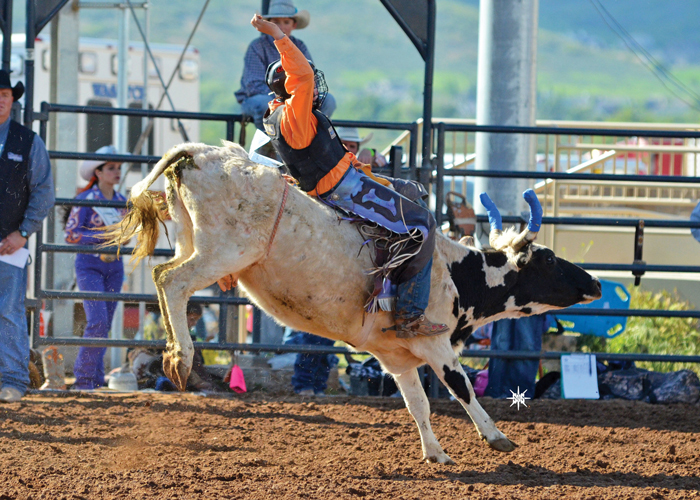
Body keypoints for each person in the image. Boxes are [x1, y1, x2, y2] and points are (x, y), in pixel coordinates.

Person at [251, 14, 448, 338]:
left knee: (412, 192)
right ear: (290, 87)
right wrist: (277, 35)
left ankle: (396, 287)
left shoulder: (280, 112)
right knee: (423, 224)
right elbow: (299, 74)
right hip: (345, 190)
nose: (314, 86)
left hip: (347, 181)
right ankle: (410, 314)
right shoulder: (294, 113)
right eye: (307, 82)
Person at [0, 70, 55, 403]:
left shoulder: (28, 141)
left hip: (10, 243)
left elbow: (44, 191)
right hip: (11, 241)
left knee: (9, 312)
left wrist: (22, 233)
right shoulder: (25, 141)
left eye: (5, 94)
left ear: (12, 100)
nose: (1, 100)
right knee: (9, 311)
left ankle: (13, 380)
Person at [64, 145, 127, 390]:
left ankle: (94, 379)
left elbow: (126, 235)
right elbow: (71, 234)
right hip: (89, 265)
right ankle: (84, 379)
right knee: (98, 321)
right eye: (111, 168)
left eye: (118, 168)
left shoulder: (123, 201)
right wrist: (101, 238)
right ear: (98, 173)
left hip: (115, 267)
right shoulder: (85, 200)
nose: (117, 172)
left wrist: (118, 239)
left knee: (104, 323)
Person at [234, 0, 336, 131]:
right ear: (269, 24)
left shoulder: (300, 46)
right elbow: (254, 86)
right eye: (276, 22)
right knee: (264, 104)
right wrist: (286, 98)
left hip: (295, 96)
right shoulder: (257, 46)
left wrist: (300, 96)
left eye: (286, 22)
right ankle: (271, 145)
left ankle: (313, 141)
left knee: (328, 101)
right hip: (260, 98)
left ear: (294, 25)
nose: (281, 27)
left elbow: (311, 76)